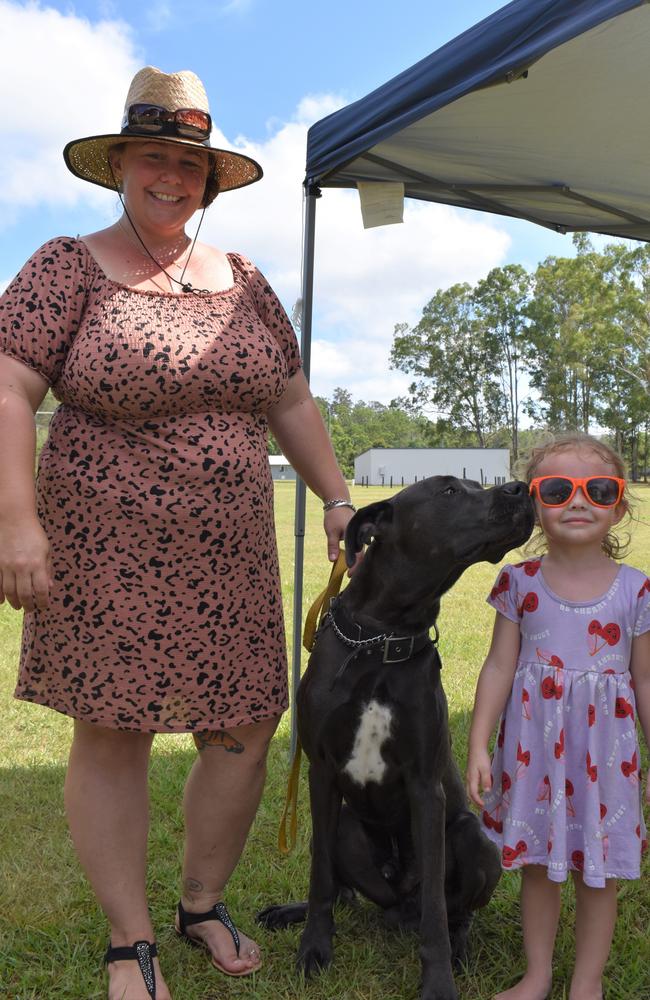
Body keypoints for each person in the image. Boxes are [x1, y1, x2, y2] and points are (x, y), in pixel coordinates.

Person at [0, 67, 355, 1000]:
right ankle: (131, 940)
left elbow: (289, 396)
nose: (171, 176)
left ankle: (202, 904)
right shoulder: (65, 265)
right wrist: (16, 521)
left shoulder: (243, 279)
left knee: (244, 724)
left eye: (189, 162)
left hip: (230, 549)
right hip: (101, 546)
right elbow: (8, 390)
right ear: (119, 163)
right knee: (112, 733)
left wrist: (337, 497)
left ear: (211, 176)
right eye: (153, 156)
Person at [466, 433, 650, 1000]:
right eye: (556, 488)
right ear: (535, 504)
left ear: (618, 505)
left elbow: (644, 679)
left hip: (607, 758)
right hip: (534, 754)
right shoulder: (518, 582)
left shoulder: (636, 589)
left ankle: (586, 983)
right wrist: (477, 745)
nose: (577, 501)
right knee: (540, 866)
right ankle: (537, 975)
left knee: (602, 875)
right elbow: (499, 667)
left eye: (597, 489)